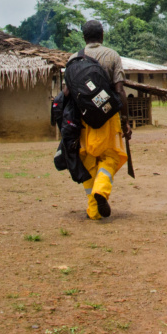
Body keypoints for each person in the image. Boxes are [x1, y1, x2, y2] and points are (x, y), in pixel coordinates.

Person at [64, 20, 132, 220]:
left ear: (83, 37)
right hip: (108, 117)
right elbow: (119, 90)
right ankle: (101, 190)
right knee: (111, 157)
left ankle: (93, 211)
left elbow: (67, 92)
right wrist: (125, 120)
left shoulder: (73, 59)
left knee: (88, 162)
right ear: (102, 35)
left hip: (83, 120)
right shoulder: (111, 55)